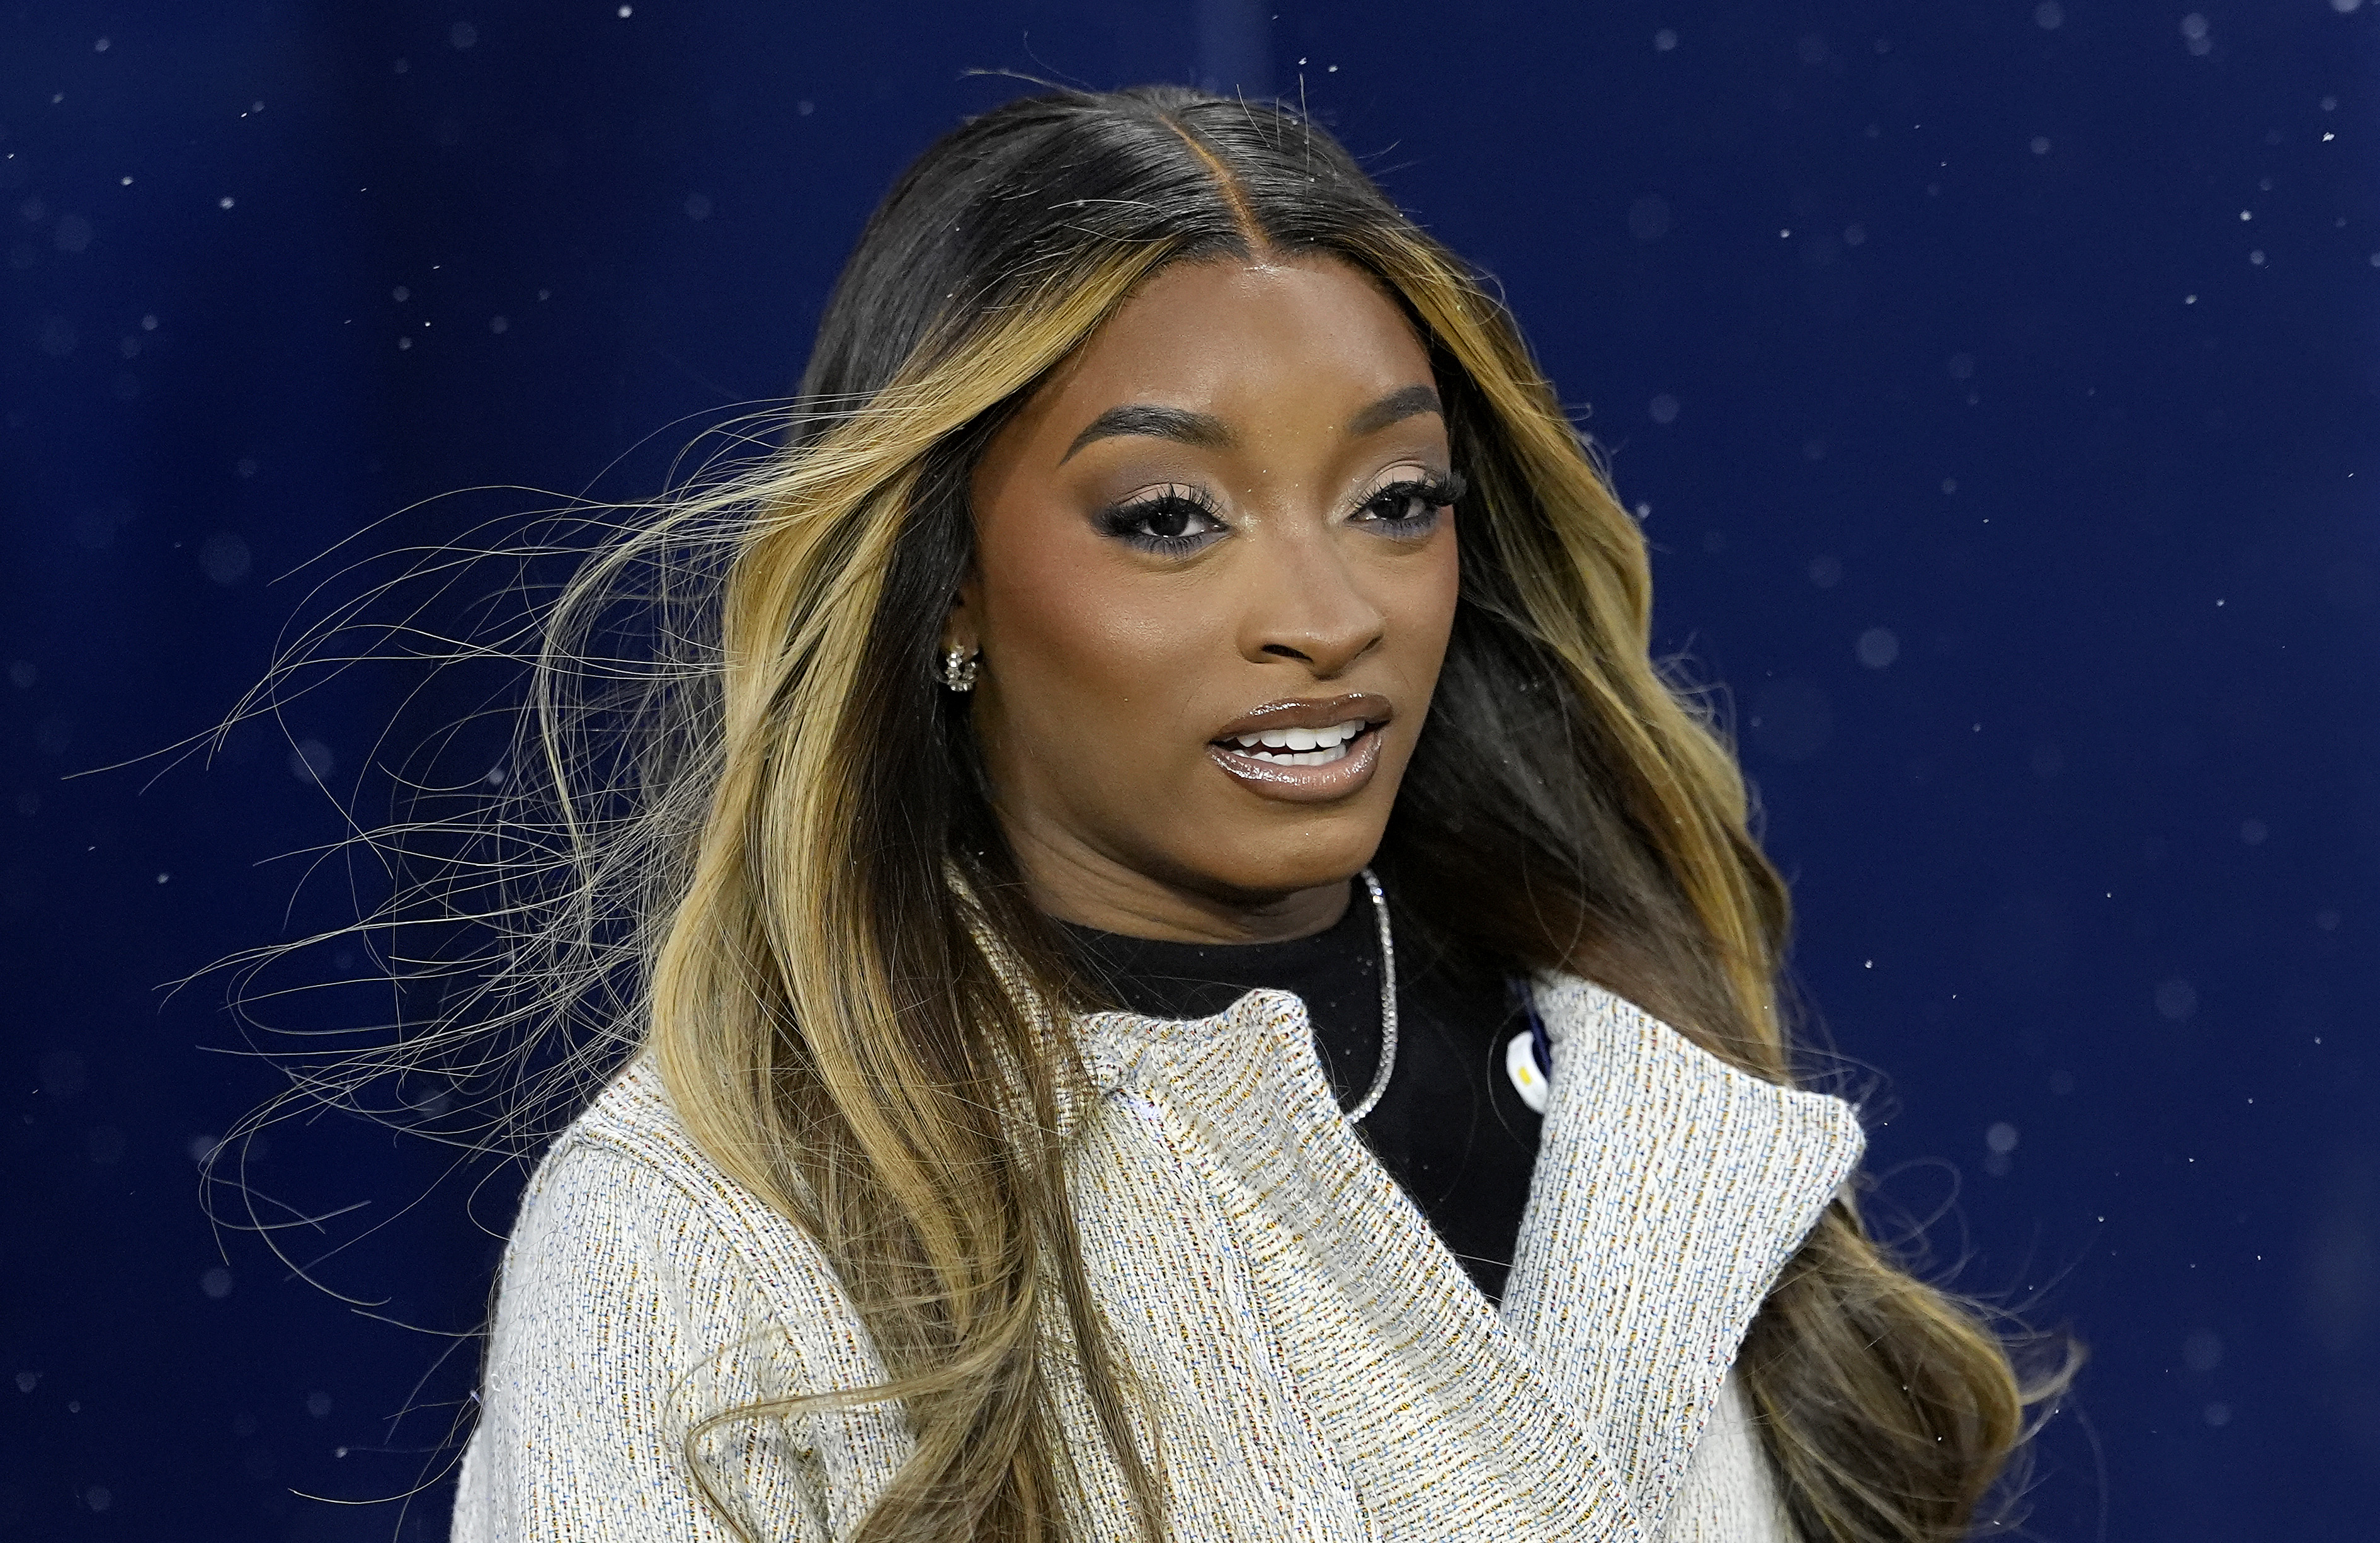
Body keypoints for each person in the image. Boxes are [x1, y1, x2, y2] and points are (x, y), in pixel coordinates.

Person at [447, 86, 2049, 1542]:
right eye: (1169, 518)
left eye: (1396, 501)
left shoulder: (1655, 1108)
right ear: (950, 593)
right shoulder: (712, 1232)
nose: (1326, 610)